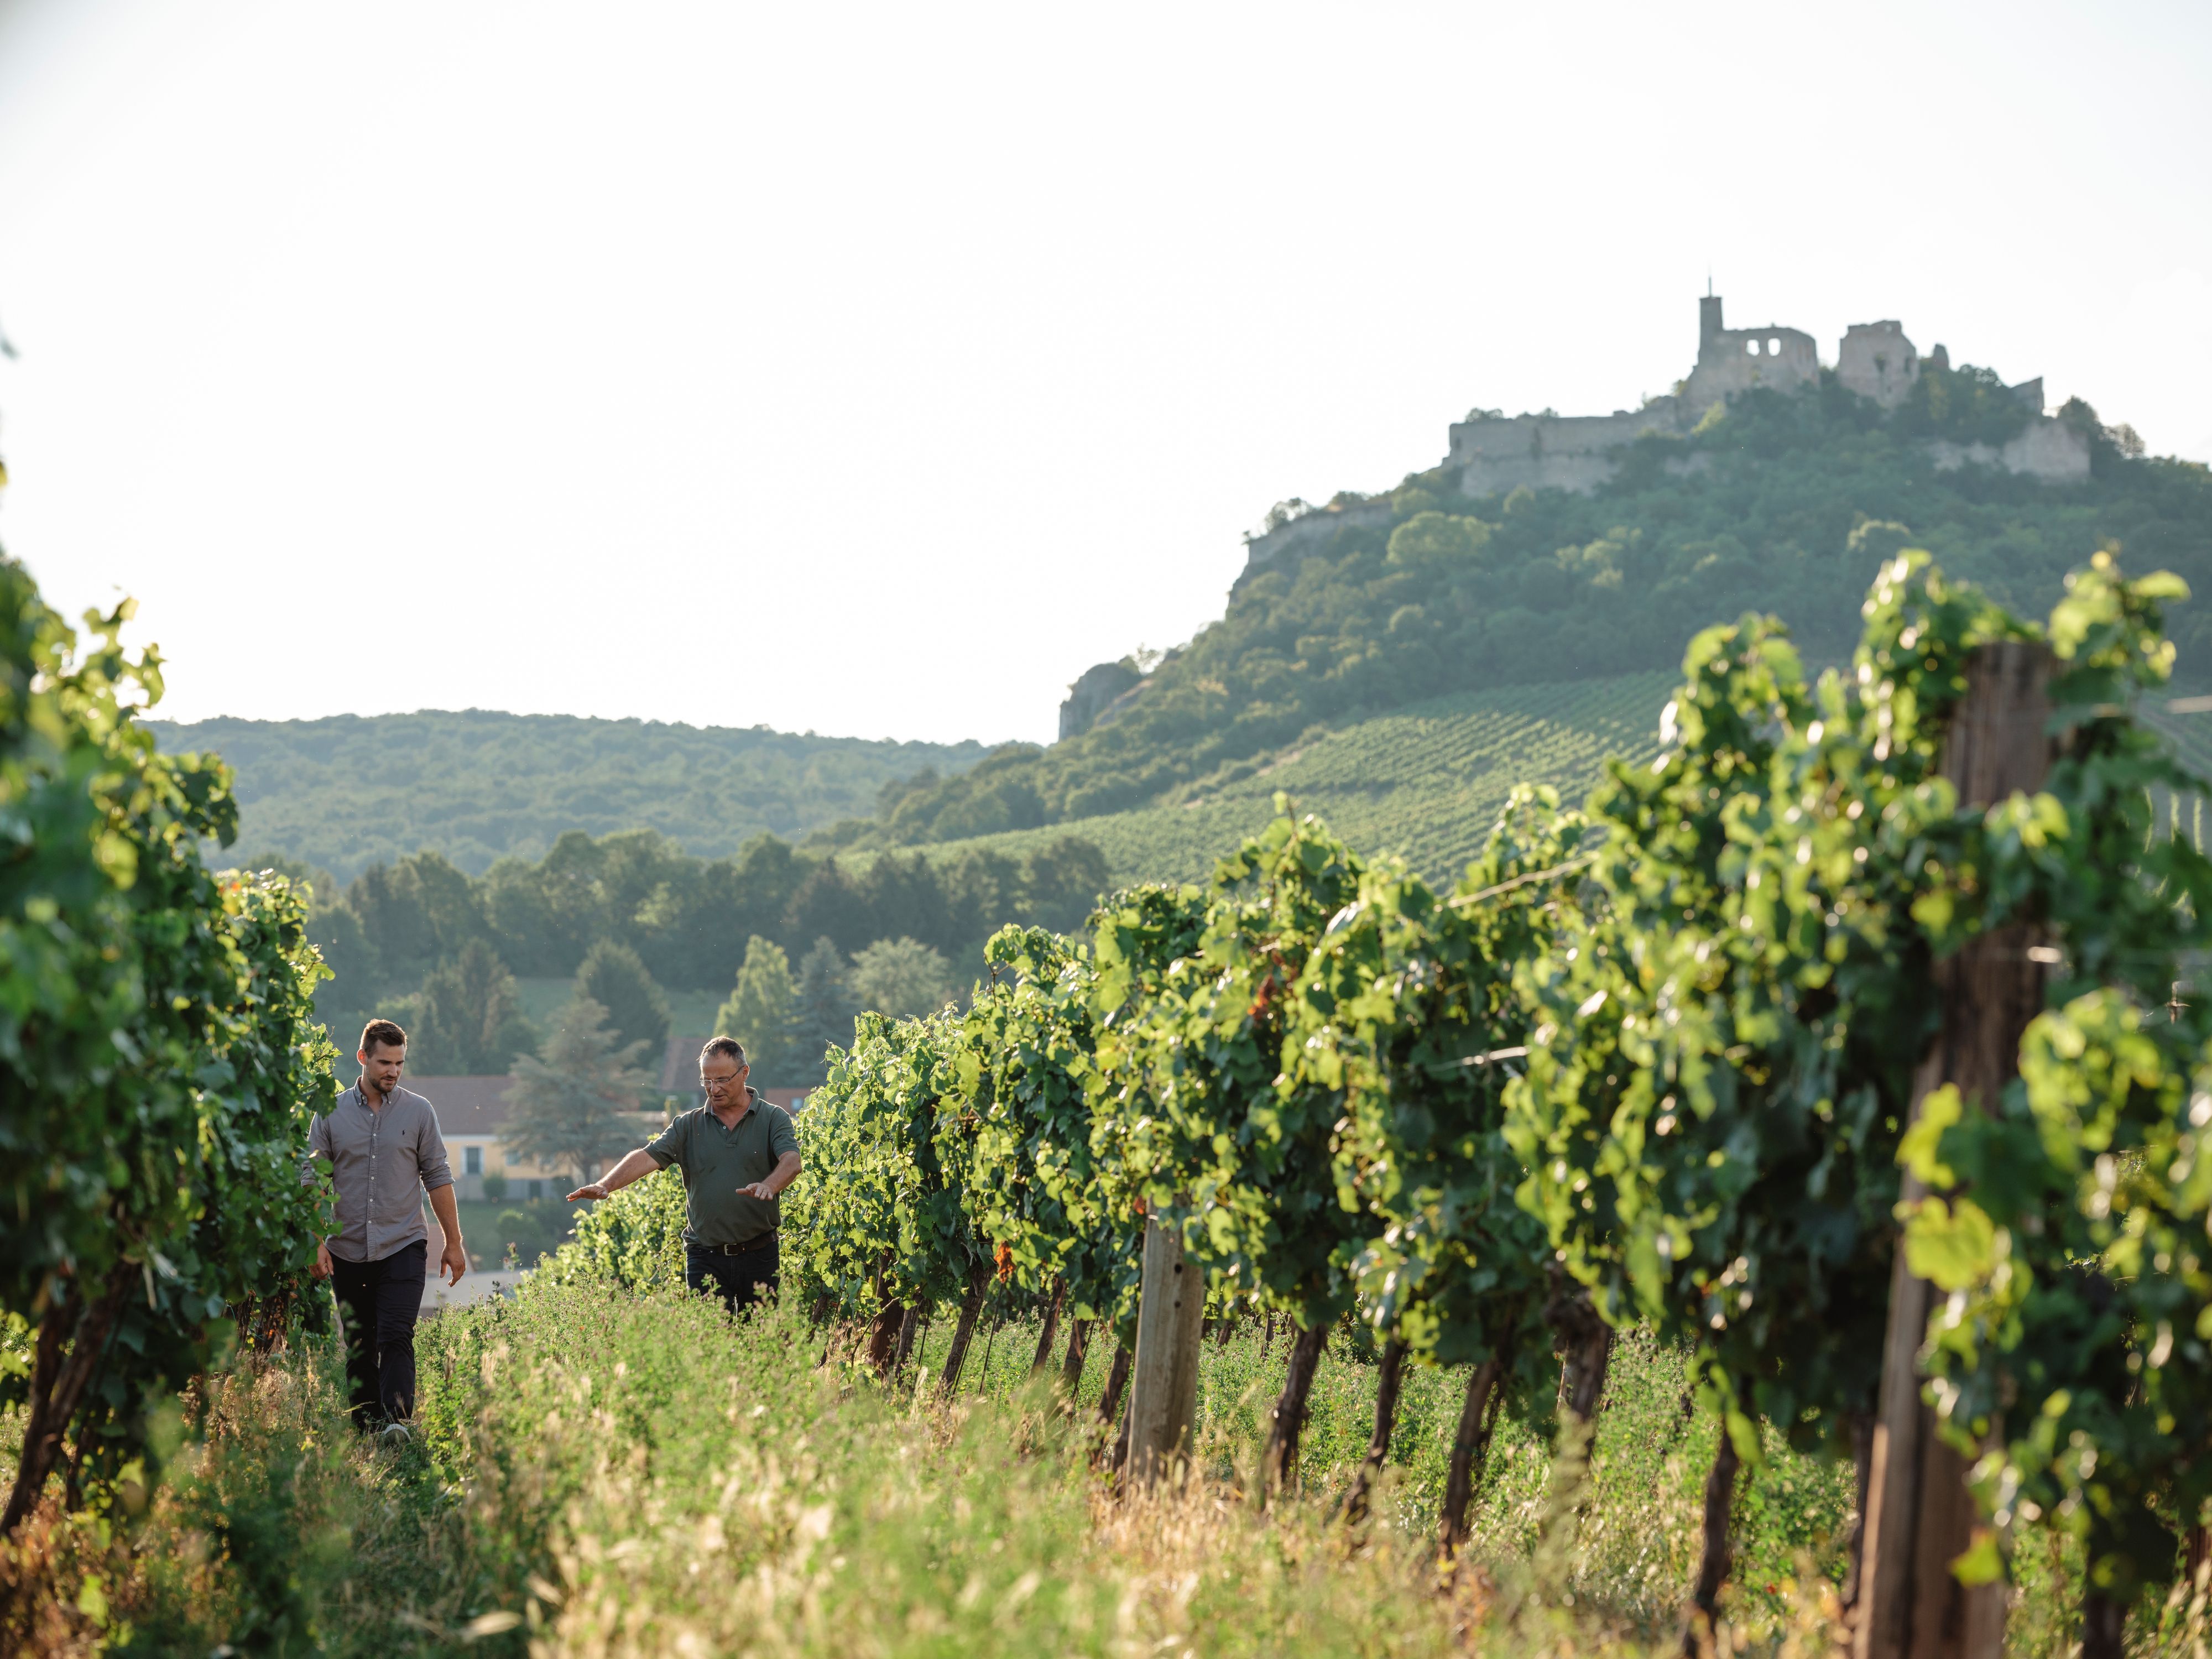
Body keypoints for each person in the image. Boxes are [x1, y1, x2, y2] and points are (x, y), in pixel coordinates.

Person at [306, 1019, 467, 1432]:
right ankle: (367, 1431)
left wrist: (453, 1242)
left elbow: (438, 1176)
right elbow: (313, 1180)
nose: (392, 1071)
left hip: (403, 1244)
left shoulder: (419, 1112)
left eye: (399, 1063)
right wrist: (314, 1241)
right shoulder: (330, 1112)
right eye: (383, 1062)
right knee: (360, 1345)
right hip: (346, 1248)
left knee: (396, 1333)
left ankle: (397, 1425)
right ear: (363, 1058)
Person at [568, 1037, 801, 1314]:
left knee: (763, 1342)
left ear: (745, 1073)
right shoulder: (688, 1126)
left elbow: (792, 1161)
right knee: (710, 1346)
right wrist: (606, 1184)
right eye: (707, 1081)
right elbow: (646, 1156)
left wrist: (769, 1185)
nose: (713, 1089)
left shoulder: (773, 1118)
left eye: (723, 1080)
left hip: (760, 1255)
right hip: (705, 1256)